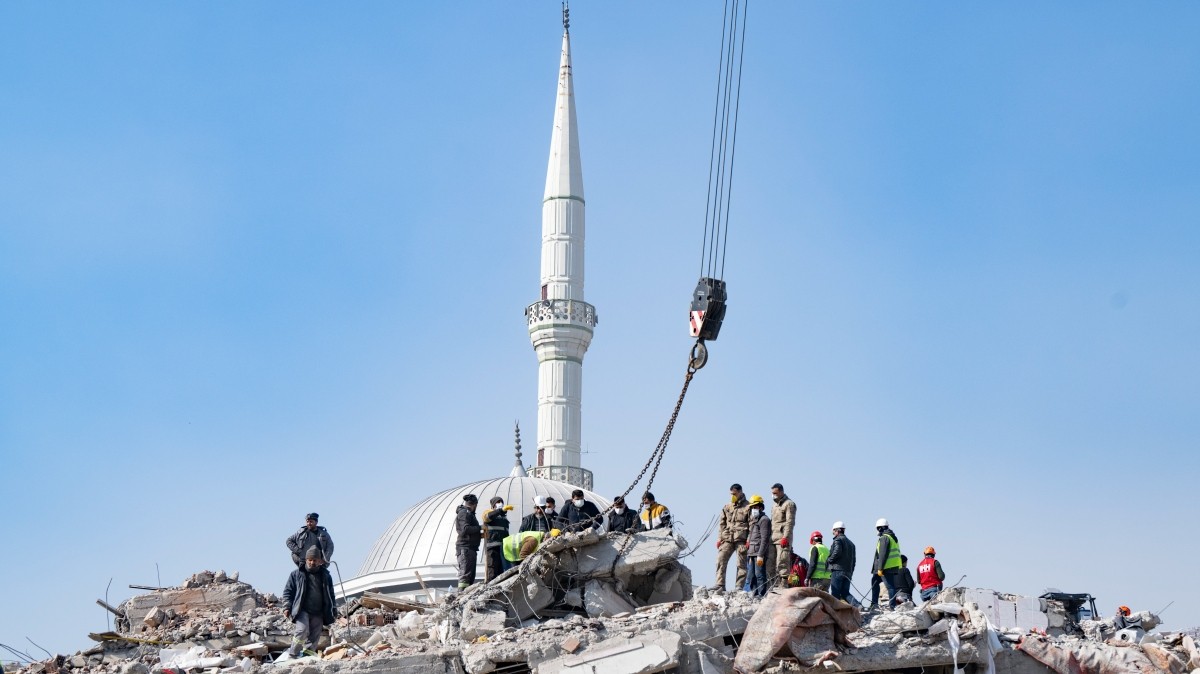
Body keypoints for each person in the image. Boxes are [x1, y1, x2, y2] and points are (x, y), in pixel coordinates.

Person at [282, 546, 337, 657]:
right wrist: (287, 607)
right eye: (310, 560)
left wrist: (333, 610)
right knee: (302, 630)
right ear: (306, 560)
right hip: (302, 610)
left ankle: (308, 656)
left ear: (320, 561)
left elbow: (331, 595)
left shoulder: (326, 575)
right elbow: (288, 591)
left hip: (318, 611)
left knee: (315, 635)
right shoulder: (296, 574)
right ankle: (293, 654)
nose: (312, 562)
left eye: (315, 560)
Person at [715, 483, 752, 591]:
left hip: (742, 539)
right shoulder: (727, 507)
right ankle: (720, 584)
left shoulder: (748, 507)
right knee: (720, 559)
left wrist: (749, 539)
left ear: (740, 492)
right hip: (727, 538)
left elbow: (752, 525)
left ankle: (739, 586)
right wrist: (719, 538)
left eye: (735, 494)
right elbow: (722, 523)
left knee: (741, 564)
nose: (733, 496)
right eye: (731, 494)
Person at [869, 518, 902, 610]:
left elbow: (883, 554)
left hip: (885, 567)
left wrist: (880, 568)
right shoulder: (892, 537)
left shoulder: (885, 538)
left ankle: (892, 606)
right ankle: (874, 604)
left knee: (890, 587)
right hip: (891, 566)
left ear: (880, 528)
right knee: (875, 582)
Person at [769, 483, 797, 587]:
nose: (773, 495)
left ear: (781, 492)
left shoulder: (789, 504)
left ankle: (783, 587)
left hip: (782, 539)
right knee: (770, 566)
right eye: (772, 493)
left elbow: (790, 522)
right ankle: (772, 588)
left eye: (775, 493)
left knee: (782, 564)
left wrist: (785, 537)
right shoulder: (774, 505)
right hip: (772, 539)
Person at [481, 496, 514, 581]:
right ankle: (489, 588)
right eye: (498, 502)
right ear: (493, 505)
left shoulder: (503, 517)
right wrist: (500, 510)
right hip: (492, 546)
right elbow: (487, 517)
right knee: (492, 569)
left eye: (501, 502)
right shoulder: (488, 512)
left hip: (503, 547)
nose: (500, 504)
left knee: (501, 570)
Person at [743, 495, 770, 597]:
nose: (753, 509)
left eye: (755, 507)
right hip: (752, 552)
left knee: (759, 575)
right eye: (752, 507)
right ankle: (754, 593)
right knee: (751, 575)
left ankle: (761, 594)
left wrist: (761, 554)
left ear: (761, 507)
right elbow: (751, 535)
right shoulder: (754, 520)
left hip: (759, 552)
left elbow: (765, 539)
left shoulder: (764, 520)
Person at [455, 494, 482, 589]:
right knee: (465, 576)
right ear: (475, 505)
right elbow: (465, 529)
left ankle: (465, 594)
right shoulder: (465, 513)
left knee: (470, 576)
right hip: (465, 549)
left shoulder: (468, 514)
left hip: (470, 549)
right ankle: (461, 596)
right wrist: (480, 528)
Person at [827, 521, 856, 603]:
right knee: (845, 593)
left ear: (837, 530)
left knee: (835, 593)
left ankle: (836, 611)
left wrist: (829, 560)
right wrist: (851, 572)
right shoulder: (851, 544)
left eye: (833, 531)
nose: (833, 533)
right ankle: (857, 605)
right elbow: (854, 561)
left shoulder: (838, 540)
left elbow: (837, 551)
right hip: (848, 571)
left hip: (837, 570)